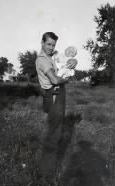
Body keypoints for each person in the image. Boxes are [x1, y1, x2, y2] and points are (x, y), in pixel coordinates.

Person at [36, 32, 76, 176]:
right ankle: (46, 173)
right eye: (48, 44)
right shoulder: (43, 60)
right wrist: (67, 79)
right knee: (54, 132)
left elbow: (65, 61)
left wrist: (74, 62)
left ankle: (47, 168)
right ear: (42, 42)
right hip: (53, 94)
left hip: (56, 94)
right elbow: (54, 79)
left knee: (54, 129)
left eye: (53, 45)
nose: (51, 47)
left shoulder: (51, 56)